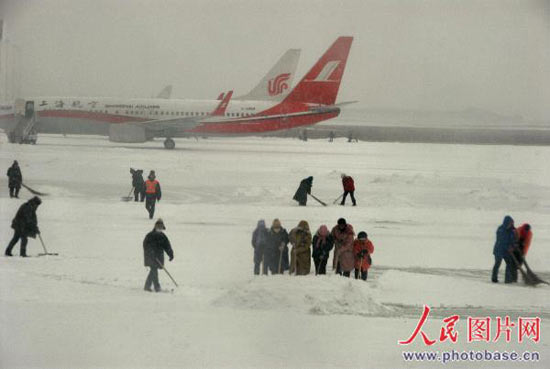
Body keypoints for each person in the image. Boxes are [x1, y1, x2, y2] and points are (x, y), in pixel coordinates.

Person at [143, 218, 174, 292]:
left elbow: (167, 246)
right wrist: (150, 252)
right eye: (158, 227)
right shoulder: (150, 235)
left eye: (161, 227)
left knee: (153, 271)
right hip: (151, 257)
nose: (160, 229)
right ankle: (156, 287)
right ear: (155, 227)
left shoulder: (163, 236)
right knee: (154, 270)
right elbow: (145, 245)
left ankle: (147, 286)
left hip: (158, 257)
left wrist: (171, 254)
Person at [492, 215, 516, 283]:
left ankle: (507, 279)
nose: (511, 224)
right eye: (510, 223)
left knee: (509, 263)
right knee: (497, 263)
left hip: (506, 251)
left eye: (512, 223)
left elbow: (512, 240)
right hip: (499, 250)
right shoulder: (500, 229)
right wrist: (508, 247)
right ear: (506, 223)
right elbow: (501, 241)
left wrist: (513, 246)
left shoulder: (512, 230)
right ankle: (494, 278)